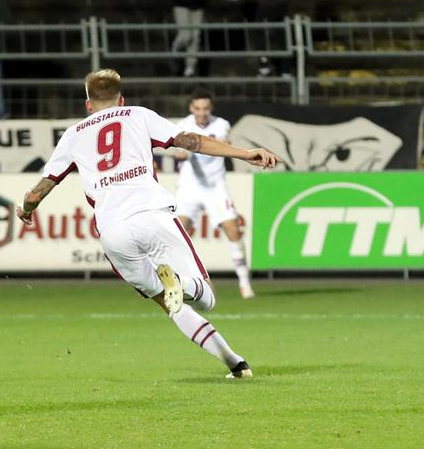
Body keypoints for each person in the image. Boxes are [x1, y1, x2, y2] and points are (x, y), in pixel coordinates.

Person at [16, 69, 279, 380]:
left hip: (113, 232)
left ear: (88, 105)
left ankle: (236, 364)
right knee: (205, 297)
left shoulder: (73, 135)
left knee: (171, 305)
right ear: (121, 99)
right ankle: (183, 283)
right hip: (153, 215)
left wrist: (27, 208)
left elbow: (42, 186)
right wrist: (244, 154)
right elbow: (190, 141)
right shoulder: (137, 114)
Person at [173, 91, 254, 299]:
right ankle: (181, 281)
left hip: (215, 186)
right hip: (190, 186)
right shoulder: (183, 125)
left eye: (206, 109)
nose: (202, 113)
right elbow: (179, 151)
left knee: (233, 230)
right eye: (198, 109)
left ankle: (245, 284)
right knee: (178, 234)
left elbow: (221, 143)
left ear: (211, 109)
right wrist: (181, 153)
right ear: (192, 108)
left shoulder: (221, 124)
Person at [168, 0, 207, 77]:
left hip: (198, 2)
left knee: (195, 36)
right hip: (181, 1)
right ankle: (175, 50)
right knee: (185, 35)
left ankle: (190, 68)